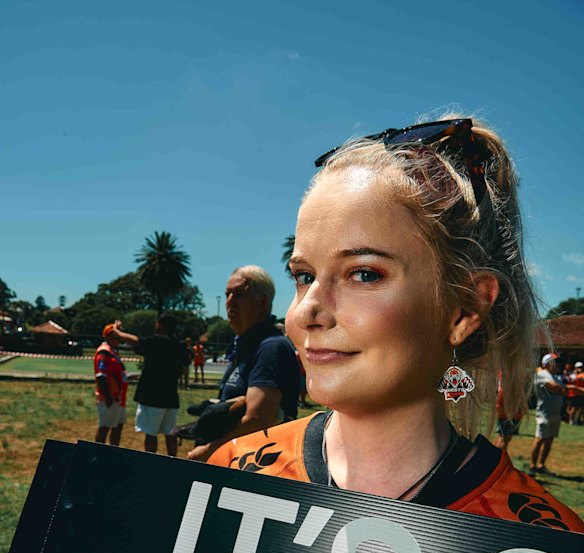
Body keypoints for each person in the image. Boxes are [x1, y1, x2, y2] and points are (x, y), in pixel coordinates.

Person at [208, 117, 583, 532]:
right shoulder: (232, 474)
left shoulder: (543, 547)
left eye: (364, 274)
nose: (305, 313)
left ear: (464, 309)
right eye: (304, 276)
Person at [187, 266, 299, 461]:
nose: (229, 302)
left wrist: (209, 451)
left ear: (262, 303)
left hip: (254, 468)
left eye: (239, 294)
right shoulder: (246, 344)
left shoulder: (270, 347)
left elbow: (257, 419)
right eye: (227, 294)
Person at [112, 315, 183, 456]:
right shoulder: (177, 345)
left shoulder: (156, 342)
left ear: (161, 325)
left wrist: (116, 330)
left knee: (151, 433)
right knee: (170, 433)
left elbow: (134, 341)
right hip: (171, 397)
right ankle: (174, 461)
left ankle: (151, 461)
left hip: (152, 396)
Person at [529, 353, 566, 475]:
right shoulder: (541, 375)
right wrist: (562, 389)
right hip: (544, 413)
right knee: (540, 438)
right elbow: (556, 388)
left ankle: (541, 465)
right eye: (554, 362)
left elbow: (562, 388)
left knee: (549, 439)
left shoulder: (555, 376)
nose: (557, 365)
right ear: (547, 364)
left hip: (555, 413)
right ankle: (532, 465)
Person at [93, 323, 128, 446]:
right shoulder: (104, 352)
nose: (120, 340)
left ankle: (113, 452)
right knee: (104, 427)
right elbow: (101, 376)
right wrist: (107, 397)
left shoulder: (113, 352)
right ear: (109, 337)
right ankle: (98, 454)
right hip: (110, 398)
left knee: (117, 427)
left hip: (118, 398)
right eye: (117, 336)